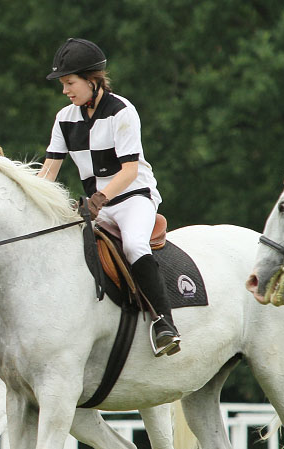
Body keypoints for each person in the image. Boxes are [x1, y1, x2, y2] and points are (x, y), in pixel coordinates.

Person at [36, 38, 181, 356]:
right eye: (63, 84)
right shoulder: (64, 119)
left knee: (134, 245)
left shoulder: (122, 112)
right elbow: (48, 172)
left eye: (70, 83)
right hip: (96, 206)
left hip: (133, 198)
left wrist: (99, 200)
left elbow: (129, 171)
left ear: (92, 79)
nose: (65, 91)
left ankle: (164, 323)